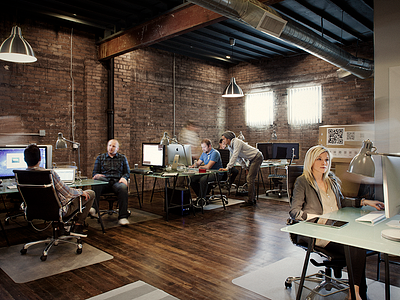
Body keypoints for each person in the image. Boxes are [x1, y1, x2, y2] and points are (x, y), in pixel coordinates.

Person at [289, 145, 384, 300]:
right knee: (356, 245)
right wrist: (319, 220)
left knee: (359, 243)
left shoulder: (331, 180)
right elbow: (294, 212)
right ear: (311, 161)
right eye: (319, 159)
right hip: (317, 232)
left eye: (326, 159)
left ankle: (356, 292)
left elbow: (342, 201)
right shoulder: (303, 182)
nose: (323, 162)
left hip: (335, 228)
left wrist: (365, 201)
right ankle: (356, 293)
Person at [24, 144, 95, 237]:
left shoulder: (20, 175)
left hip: (34, 211)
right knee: (91, 193)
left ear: (25, 159)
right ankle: (78, 226)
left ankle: (59, 227)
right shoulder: (49, 174)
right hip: (57, 211)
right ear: (40, 158)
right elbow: (68, 193)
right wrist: (81, 192)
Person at [219, 131, 263, 207]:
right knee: (249, 178)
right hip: (251, 159)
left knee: (250, 178)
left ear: (228, 139)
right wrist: (245, 168)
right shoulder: (230, 146)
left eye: (224, 139)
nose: (223, 141)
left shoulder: (237, 142)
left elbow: (235, 155)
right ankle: (252, 199)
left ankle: (250, 200)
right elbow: (239, 159)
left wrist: (227, 168)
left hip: (257, 157)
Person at [92, 139, 131, 226]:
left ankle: (123, 217)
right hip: (105, 182)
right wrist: (97, 176)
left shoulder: (122, 158)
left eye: (113, 146)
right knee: (96, 182)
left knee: (123, 187)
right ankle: (93, 208)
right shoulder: (100, 158)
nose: (111, 148)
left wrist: (124, 178)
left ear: (117, 148)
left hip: (117, 182)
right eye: (109, 145)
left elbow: (127, 173)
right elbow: (94, 173)